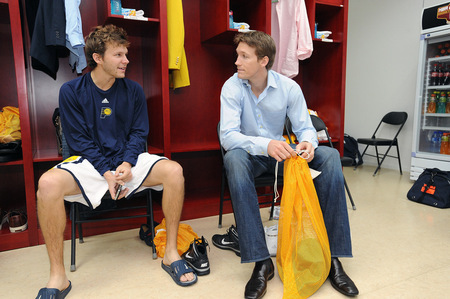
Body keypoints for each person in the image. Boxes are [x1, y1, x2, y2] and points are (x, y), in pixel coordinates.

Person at [35, 24, 197, 299]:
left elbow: (139, 132)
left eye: (126, 54)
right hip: (90, 163)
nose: (126, 60)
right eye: (119, 55)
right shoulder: (71, 91)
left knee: (174, 171)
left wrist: (128, 162)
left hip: (125, 161)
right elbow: (79, 141)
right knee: (47, 184)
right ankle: (58, 277)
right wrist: (107, 172)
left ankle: (170, 254)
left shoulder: (133, 90)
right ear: (97, 58)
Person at [212, 31, 359, 299]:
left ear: (263, 60)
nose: (237, 61)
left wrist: (307, 144)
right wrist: (264, 144)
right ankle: (260, 262)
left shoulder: (289, 88)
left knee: (330, 156)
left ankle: (333, 259)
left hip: (284, 154)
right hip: (252, 155)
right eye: (238, 55)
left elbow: (306, 128)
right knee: (233, 159)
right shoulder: (231, 87)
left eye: (244, 56)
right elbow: (228, 136)